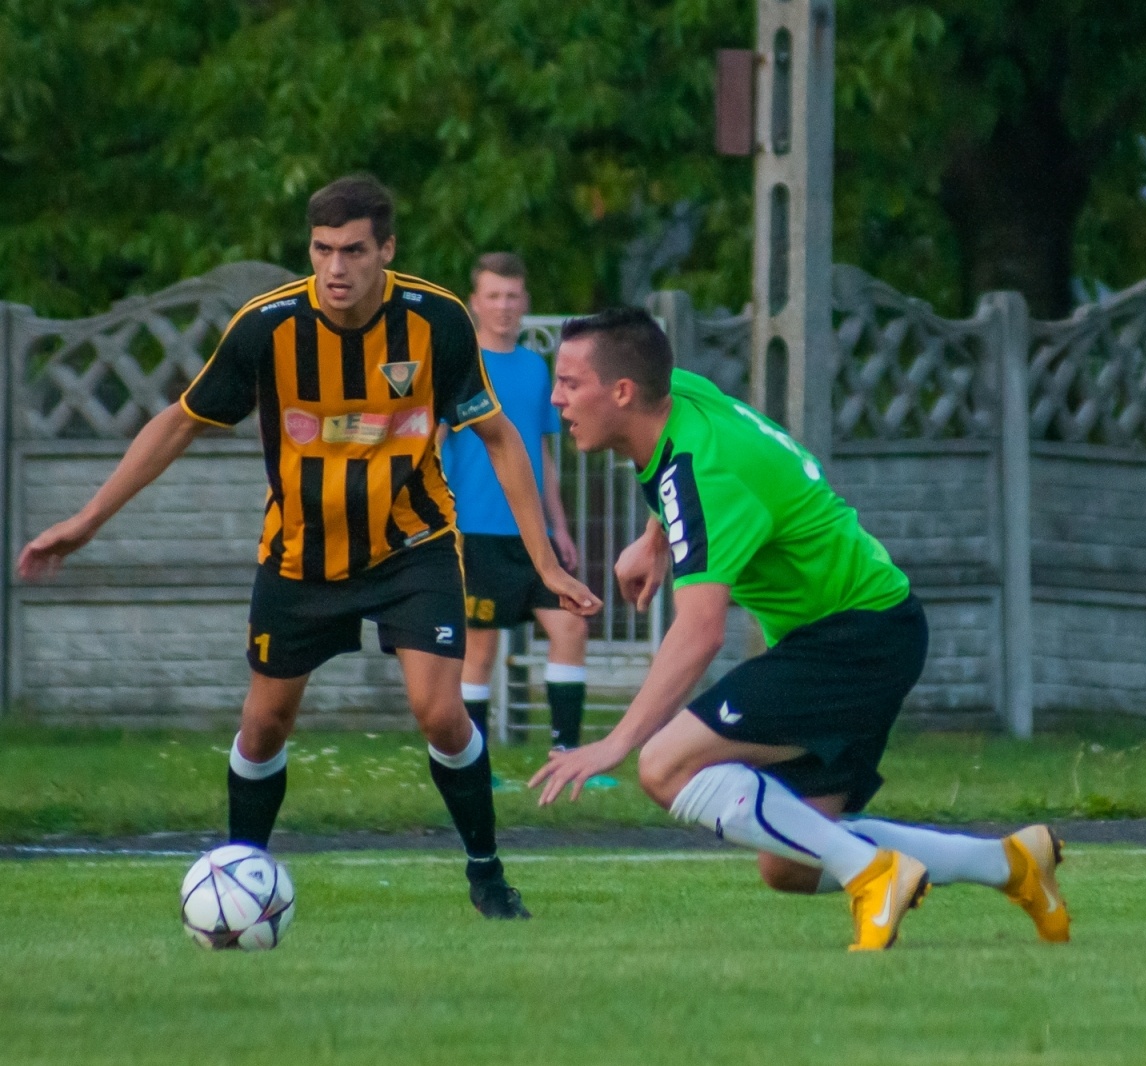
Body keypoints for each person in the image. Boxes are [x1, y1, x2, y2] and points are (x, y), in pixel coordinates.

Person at [15, 175, 598, 920]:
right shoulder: (268, 326)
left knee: (440, 712)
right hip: (299, 558)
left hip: (412, 547)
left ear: (386, 249)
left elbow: (498, 436)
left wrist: (546, 560)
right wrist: (87, 520)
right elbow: (181, 421)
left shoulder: (436, 320)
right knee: (265, 724)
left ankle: (486, 874)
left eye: (354, 251)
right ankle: (238, 882)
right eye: (322, 250)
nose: (336, 269)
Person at [527, 308, 1070, 951]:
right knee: (788, 864)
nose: (554, 398)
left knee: (664, 765)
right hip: (869, 630)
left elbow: (699, 632)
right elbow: (676, 468)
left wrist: (613, 743)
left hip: (852, 639)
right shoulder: (679, 397)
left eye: (568, 382)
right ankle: (1011, 863)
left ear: (622, 392)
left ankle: (875, 874)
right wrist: (656, 542)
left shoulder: (705, 477)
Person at [439, 252, 597, 762]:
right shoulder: (460, 366)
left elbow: (540, 453)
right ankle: (475, 765)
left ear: (525, 302)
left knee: (570, 626)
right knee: (479, 651)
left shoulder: (535, 368)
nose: (504, 306)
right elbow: (433, 446)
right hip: (475, 532)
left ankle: (567, 757)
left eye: (512, 296)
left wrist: (560, 528)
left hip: (535, 538)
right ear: (475, 304)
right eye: (493, 296)